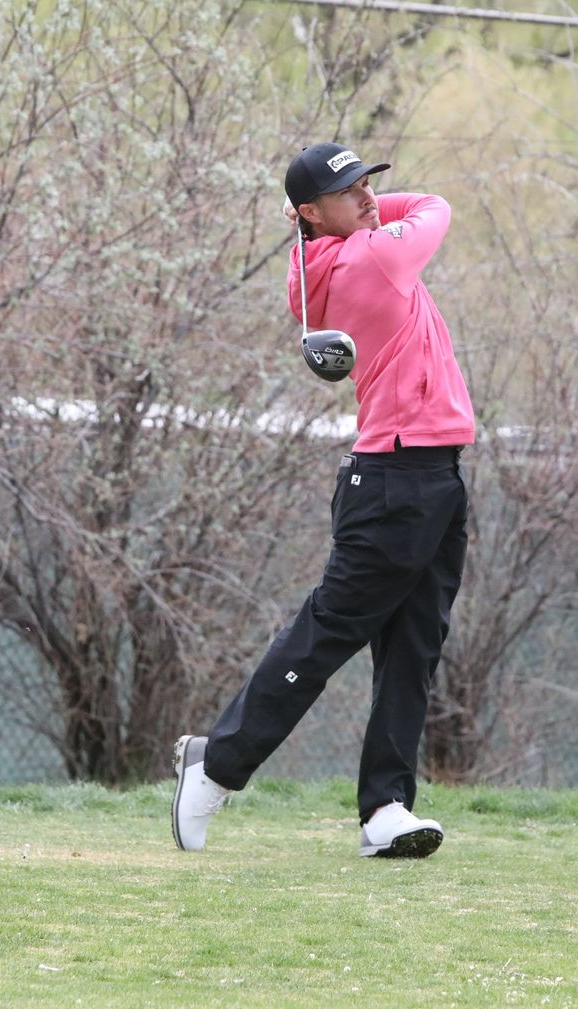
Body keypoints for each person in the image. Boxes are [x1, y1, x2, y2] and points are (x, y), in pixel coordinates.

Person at [171, 142, 475, 858]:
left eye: (369, 184)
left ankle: (386, 810)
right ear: (309, 212)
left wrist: (335, 214)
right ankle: (215, 768)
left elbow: (371, 216)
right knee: (327, 635)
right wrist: (367, 217)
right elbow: (434, 207)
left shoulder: (324, 259)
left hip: (430, 473)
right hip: (396, 478)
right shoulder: (372, 258)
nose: (368, 198)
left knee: (412, 648)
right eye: (349, 191)